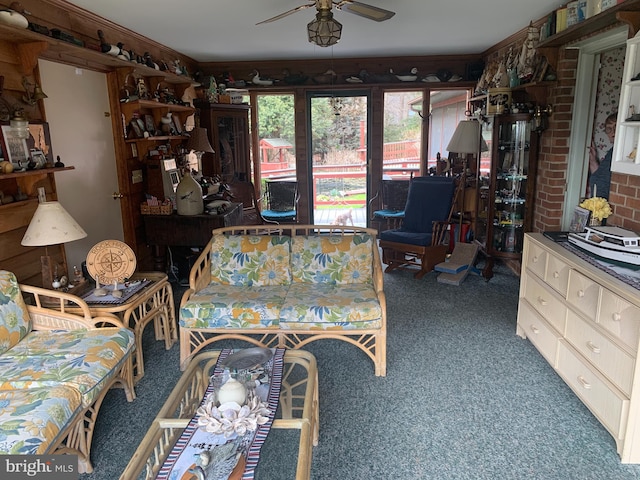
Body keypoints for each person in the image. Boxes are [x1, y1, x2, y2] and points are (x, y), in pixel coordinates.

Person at [588, 112, 616, 200]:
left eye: (616, 127)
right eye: (609, 129)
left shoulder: (621, 153)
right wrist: (593, 160)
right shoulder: (611, 152)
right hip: (599, 204)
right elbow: (601, 175)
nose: (613, 132)